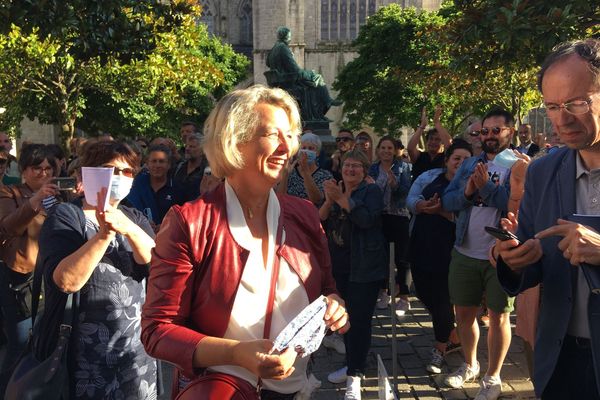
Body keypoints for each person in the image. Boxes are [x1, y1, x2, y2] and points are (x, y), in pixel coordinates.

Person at [141, 85, 348, 400]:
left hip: (296, 391)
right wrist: (236, 353)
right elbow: (157, 331)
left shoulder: (304, 215)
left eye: (290, 135)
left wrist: (335, 307)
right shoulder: (190, 222)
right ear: (235, 141)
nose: (287, 147)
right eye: (272, 134)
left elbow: (327, 291)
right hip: (222, 391)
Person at [495, 38, 600, 399]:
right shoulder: (542, 173)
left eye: (577, 102)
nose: (562, 119)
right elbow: (532, 260)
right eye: (552, 106)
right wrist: (513, 260)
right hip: (560, 363)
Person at [35, 140, 157, 399]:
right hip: (84, 357)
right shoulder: (67, 216)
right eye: (112, 169)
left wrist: (128, 229)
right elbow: (66, 281)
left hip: (134, 353)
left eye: (128, 172)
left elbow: (156, 265)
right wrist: (103, 235)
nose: (121, 177)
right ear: (89, 173)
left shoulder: (133, 217)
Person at [441, 107, 517, 400]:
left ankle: (493, 376)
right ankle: (470, 364)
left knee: (499, 316)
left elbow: (516, 205)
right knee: (463, 312)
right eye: (483, 131)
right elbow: (450, 200)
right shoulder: (469, 163)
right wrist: (470, 192)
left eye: (496, 131)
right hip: (464, 250)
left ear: (510, 132)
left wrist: (487, 188)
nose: (488, 137)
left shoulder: (519, 165)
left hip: (501, 254)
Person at [319, 149, 387, 400]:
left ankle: (355, 377)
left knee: (358, 322)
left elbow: (367, 220)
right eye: (347, 165)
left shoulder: (371, 191)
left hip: (364, 266)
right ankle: (351, 364)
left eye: (356, 166)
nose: (350, 170)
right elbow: (320, 219)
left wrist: (343, 200)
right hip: (338, 266)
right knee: (343, 320)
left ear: (365, 170)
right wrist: (329, 199)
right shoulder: (336, 188)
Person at [407, 140, 472, 374]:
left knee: (443, 299)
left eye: (466, 159)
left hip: (451, 250)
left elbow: (471, 218)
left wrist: (444, 212)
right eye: (457, 158)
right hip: (421, 243)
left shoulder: (472, 184)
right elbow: (410, 198)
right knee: (424, 293)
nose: (461, 163)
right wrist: (421, 205)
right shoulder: (428, 177)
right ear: (447, 161)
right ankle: (453, 335)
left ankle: (440, 347)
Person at [0, 144, 58, 397]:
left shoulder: (57, 195)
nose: (44, 173)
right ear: (24, 171)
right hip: (21, 277)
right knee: (21, 342)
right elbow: (8, 227)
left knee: (47, 339)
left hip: (51, 276)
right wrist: (35, 201)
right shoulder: (8, 192)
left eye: (48, 168)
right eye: (37, 168)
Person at [367, 137, 412, 317]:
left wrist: (396, 186)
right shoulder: (373, 169)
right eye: (383, 147)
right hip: (380, 216)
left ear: (394, 150)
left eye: (389, 148)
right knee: (382, 256)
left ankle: (404, 297)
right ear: (378, 150)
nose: (386, 151)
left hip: (399, 215)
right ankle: (384, 293)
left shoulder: (404, 167)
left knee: (402, 258)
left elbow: (407, 192)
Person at [265, 27, 341, 122]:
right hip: (288, 81)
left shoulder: (274, 49)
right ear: (286, 37)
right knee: (317, 77)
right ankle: (319, 111)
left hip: (282, 80)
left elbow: (267, 63)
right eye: (289, 37)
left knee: (312, 79)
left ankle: (320, 112)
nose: (290, 39)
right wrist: (309, 73)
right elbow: (295, 70)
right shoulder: (283, 48)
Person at [126, 144, 184, 231]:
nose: (157, 165)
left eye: (161, 161)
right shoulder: (136, 184)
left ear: (169, 165)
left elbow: (183, 217)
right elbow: (127, 210)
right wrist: (141, 222)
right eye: (153, 161)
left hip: (168, 237)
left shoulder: (178, 188)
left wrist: (167, 225)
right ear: (147, 163)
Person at [278, 132, 333, 205]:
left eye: (311, 148)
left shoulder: (325, 176)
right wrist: (285, 174)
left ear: (317, 153)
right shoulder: (291, 172)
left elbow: (317, 200)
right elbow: (280, 198)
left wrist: (305, 172)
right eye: (303, 148)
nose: (306, 151)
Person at [408, 106, 452, 181]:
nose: (433, 142)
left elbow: (449, 145)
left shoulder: (445, 158)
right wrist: (422, 126)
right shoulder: (419, 156)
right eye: (431, 139)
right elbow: (410, 148)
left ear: (442, 143)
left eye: (437, 139)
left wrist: (437, 123)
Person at [172, 133, 209, 201]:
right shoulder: (179, 167)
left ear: (202, 151)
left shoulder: (207, 171)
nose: (187, 149)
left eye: (192, 146)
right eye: (187, 146)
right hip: (177, 210)